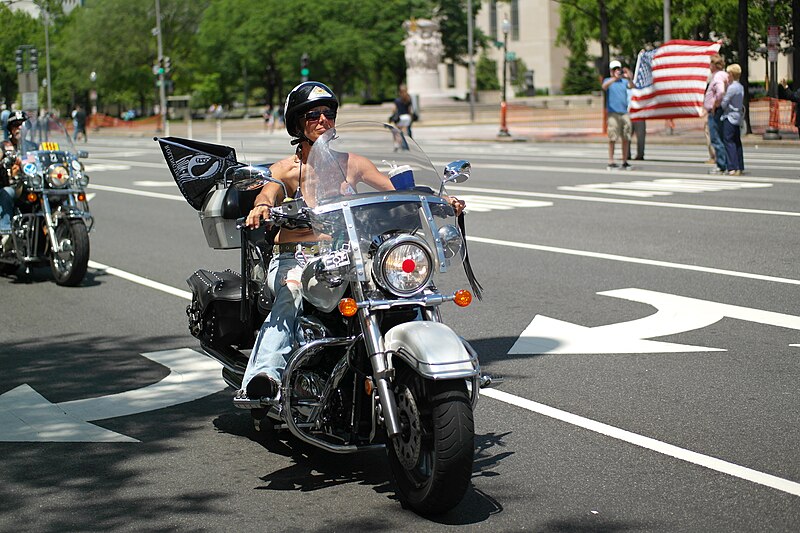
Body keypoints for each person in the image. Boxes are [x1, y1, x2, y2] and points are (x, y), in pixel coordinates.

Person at [238, 81, 463, 401]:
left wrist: (441, 201)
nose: (322, 120)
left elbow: (397, 193)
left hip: (346, 254)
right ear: (297, 123)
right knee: (292, 291)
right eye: (313, 114)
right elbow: (269, 191)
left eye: (328, 114)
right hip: (295, 258)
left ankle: (433, 365)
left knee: (404, 284)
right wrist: (262, 206)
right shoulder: (287, 170)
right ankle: (264, 376)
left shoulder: (352, 164)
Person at [0, 111, 26, 250]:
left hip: (32, 185)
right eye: (16, 125)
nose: (20, 127)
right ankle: (5, 232)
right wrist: (4, 160)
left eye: (23, 124)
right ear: (10, 129)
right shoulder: (5, 145)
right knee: (7, 192)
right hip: (13, 185)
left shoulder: (33, 146)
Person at [602, 60, 633, 170]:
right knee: (612, 137)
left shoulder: (624, 82)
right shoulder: (608, 81)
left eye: (618, 69)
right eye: (614, 69)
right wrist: (614, 78)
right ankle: (611, 160)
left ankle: (625, 160)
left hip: (624, 112)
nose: (617, 71)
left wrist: (629, 77)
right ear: (611, 71)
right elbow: (604, 87)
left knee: (626, 136)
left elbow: (632, 86)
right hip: (613, 113)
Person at [703, 54, 728, 174]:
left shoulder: (717, 77)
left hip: (715, 111)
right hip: (719, 110)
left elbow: (720, 92)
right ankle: (725, 163)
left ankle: (721, 165)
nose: (709, 66)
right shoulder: (722, 75)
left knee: (715, 138)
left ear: (714, 65)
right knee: (721, 138)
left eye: (710, 64)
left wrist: (714, 104)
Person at [720, 64, 744, 176]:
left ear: (731, 74)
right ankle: (740, 166)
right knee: (737, 142)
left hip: (729, 116)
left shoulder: (732, 87)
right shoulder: (740, 86)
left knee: (729, 142)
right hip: (738, 116)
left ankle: (732, 167)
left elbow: (724, 103)